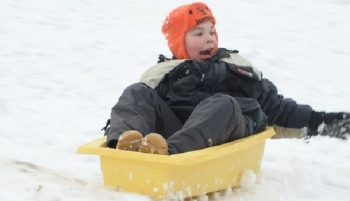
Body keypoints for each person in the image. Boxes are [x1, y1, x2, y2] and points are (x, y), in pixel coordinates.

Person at [104, 2, 350, 155]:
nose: (209, 38)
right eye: (198, 33)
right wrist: (119, 127)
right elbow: (135, 108)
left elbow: (278, 109)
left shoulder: (236, 66)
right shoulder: (163, 73)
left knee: (223, 103)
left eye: (212, 31)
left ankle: (165, 154)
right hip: (172, 132)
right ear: (179, 42)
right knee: (136, 91)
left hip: (226, 131)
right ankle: (125, 148)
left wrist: (323, 122)